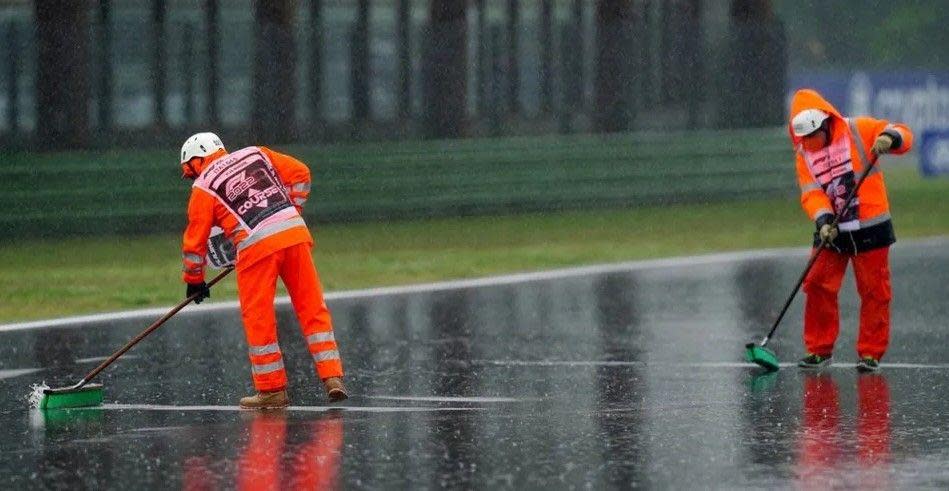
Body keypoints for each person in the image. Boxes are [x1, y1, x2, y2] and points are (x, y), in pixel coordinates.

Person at [178, 132, 347, 408]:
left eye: (189, 169)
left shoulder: (204, 187)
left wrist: (194, 281)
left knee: (259, 317)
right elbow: (301, 173)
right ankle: (332, 377)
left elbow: (194, 243)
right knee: (312, 308)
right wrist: (291, 210)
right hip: (293, 233)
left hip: (255, 249)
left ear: (197, 160)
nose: (191, 176)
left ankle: (272, 390)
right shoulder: (256, 153)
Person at [788, 89, 913, 372]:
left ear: (825, 125)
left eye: (812, 137)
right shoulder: (803, 154)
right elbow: (811, 193)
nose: (808, 144)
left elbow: (904, 133)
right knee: (817, 283)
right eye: (803, 139)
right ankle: (819, 349)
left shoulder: (859, 129)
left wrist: (890, 138)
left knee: (874, 291)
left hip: (871, 227)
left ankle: (870, 353)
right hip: (833, 230)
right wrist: (823, 221)